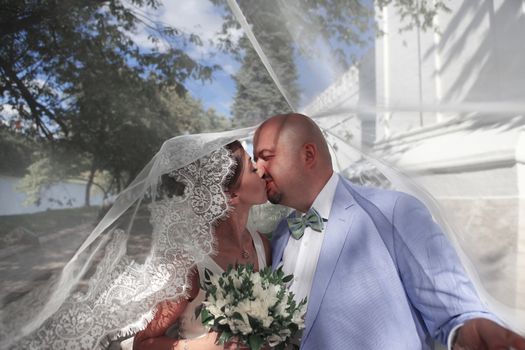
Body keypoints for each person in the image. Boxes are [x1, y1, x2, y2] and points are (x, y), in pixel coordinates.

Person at [253, 113, 525, 350]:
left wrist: (468, 330)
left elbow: (454, 310)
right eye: (255, 160)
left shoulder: (395, 211)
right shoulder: (281, 234)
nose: (258, 169)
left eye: (266, 157)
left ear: (308, 155)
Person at [132, 140, 271, 350]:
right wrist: (200, 347)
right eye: (252, 168)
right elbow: (141, 344)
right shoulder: (189, 262)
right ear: (231, 195)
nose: (262, 171)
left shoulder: (262, 245)